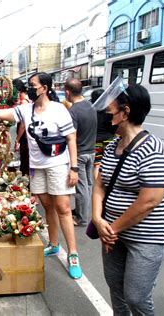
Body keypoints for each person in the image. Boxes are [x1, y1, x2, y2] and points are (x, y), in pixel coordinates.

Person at [0, 72, 82, 279]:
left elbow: (71, 139)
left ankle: (74, 255)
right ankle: (53, 244)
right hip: (37, 166)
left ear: (45, 88)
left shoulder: (59, 110)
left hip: (58, 164)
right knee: (47, 205)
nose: (29, 90)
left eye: (33, 85)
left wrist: (74, 168)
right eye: (29, 86)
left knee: (63, 208)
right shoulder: (25, 110)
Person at [92, 84, 164, 314]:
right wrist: (97, 219)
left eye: (108, 111)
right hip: (112, 233)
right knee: (116, 289)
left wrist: (111, 229)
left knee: (136, 297)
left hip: (146, 237)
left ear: (125, 112)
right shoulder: (111, 147)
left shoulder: (155, 151)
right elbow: (100, 184)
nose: (104, 116)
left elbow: (148, 201)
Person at [65, 78, 97, 227]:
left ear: (67, 92)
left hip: (81, 153)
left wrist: (74, 165)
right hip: (91, 151)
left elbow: (73, 136)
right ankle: (81, 211)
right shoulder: (90, 106)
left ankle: (81, 218)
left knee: (81, 188)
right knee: (88, 186)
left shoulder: (74, 111)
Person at [92, 88, 118, 179]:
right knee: (110, 162)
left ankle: (97, 186)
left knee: (97, 165)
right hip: (109, 139)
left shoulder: (92, 111)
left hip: (96, 141)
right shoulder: (109, 111)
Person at [12, 78, 30, 175]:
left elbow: (23, 124)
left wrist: (17, 139)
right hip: (27, 135)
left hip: (24, 136)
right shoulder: (26, 100)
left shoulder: (24, 102)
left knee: (25, 161)